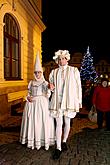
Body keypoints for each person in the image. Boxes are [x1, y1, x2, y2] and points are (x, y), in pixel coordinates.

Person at [48, 50, 82, 159]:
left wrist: (78, 101)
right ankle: (58, 148)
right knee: (58, 124)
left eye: (63, 58)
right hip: (57, 101)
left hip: (69, 101)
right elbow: (51, 87)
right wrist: (50, 87)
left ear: (67, 59)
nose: (61, 60)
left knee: (67, 122)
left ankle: (64, 141)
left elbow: (78, 87)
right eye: (59, 59)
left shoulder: (74, 70)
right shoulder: (54, 72)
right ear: (57, 60)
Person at [20, 54, 55, 150]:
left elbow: (49, 93)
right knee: (32, 121)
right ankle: (32, 140)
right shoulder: (31, 83)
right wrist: (28, 98)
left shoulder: (45, 83)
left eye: (39, 72)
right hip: (31, 105)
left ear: (41, 73)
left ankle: (42, 140)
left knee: (41, 121)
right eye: (36, 72)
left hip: (42, 105)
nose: (37, 74)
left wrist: (49, 89)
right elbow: (28, 93)